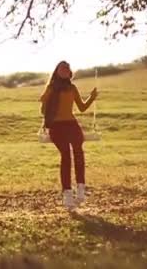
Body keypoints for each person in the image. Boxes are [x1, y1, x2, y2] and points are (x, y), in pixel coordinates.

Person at [40, 61, 98, 209]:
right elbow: (43, 110)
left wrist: (91, 98)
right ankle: (67, 193)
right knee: (66, 155)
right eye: (62, 68)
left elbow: (82, 108)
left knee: (79, 152)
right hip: (57, 126)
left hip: (72, 124)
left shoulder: (72, 88)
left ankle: (80, 188)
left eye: (67, 68)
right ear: (57, 71)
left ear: (69, 72)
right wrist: (46, 99)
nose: (65, 70)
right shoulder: (51, 88)